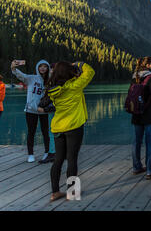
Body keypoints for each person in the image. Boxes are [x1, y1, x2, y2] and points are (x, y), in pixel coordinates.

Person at [47, 61, 95, 201]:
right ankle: (72, 192)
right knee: (72, 159)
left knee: (58, 160)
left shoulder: (52, 90)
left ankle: (55, 192)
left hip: (58, 127)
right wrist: (80, 64)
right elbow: (90, 72)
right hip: (74, 126)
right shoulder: (74, 86)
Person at [11, 60, 51, 163]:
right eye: (40, 66)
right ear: (37, 68)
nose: (42, 68)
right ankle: (30, 154)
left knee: (45, 132)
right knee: (31, 132)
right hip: (31, 110)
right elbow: (21, 76)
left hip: (43, 110)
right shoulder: (32, 78)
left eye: (45, 66)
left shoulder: (50, 81)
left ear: (48, 68)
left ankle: (47, 152)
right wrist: (13, 68)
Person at [130, 57, 151, 180]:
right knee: (149, 142)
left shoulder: (134, 76)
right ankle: (149, 171)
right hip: (148, 114)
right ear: (148, 65)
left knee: (137, 141)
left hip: (136, 113)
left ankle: (136, 167)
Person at [37, 63, 57, 164]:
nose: (51, 70)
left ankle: (52, 154)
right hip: (57, 111)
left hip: (55, 112)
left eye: (52, 69)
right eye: (51, 69)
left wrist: (44, 109)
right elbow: (47, 97)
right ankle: (59, 153)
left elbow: (54, 100)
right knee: (58, 132)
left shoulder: (56, 82)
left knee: (52, 132)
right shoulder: (59, 81)